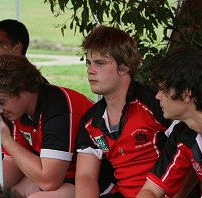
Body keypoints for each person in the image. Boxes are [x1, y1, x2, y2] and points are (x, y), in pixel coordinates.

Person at [75, 25, 174, 198]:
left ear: (124, 66)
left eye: (100, 63)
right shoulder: (90, 122)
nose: (90, 70)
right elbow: (86, 177)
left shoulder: (156, 103)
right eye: (89, 63)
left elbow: (189, 155)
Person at [0, 53, 93, 197]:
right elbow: (14, 162)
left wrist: (6, 139)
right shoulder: (15, 110)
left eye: (1, 101)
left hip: (91, 182)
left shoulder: (58, 107)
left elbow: (49, 181)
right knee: (4, 193)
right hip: (61, 177)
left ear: (22, 89)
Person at [136, 47, 202, 198]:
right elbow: (151, 190)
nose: (157, 96)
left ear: (186, 94)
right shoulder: (183, 133)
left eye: (163, 89)